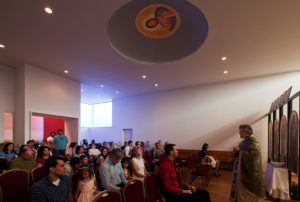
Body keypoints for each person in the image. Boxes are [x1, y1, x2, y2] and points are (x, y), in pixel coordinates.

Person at [230, 124, 266, 202]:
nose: (239, 133)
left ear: (245, 132)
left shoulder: (254, 142)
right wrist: (236, 151)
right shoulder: (244, 141)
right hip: (242, 170)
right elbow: (239, 154)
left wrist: (239, 151)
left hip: (250, 172)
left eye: (240, 131)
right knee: (240, 188)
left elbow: (254, 154)